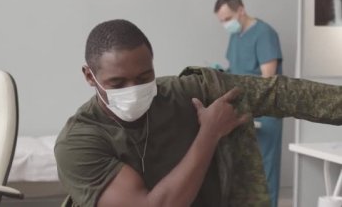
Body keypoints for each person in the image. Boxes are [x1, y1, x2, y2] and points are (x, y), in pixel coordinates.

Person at [54, 19, 342, 207]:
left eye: (144, 77)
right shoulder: (79, 142)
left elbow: (281, 94)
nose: (134, 89)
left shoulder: (186, 94)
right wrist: (210, 133)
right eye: (117, 83)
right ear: (90, 77)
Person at [214, 0, 283, 206]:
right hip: (242, 111)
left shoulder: (265, 34)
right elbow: (237, 71)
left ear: (241, 10)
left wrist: (254, 109)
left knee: (263, 170)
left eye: (228, 18)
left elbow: (268, 80)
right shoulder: (236, 36)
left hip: (264, 113)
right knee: (243, 173)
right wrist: (221, 74)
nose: (226, 24)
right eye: (222, 21)